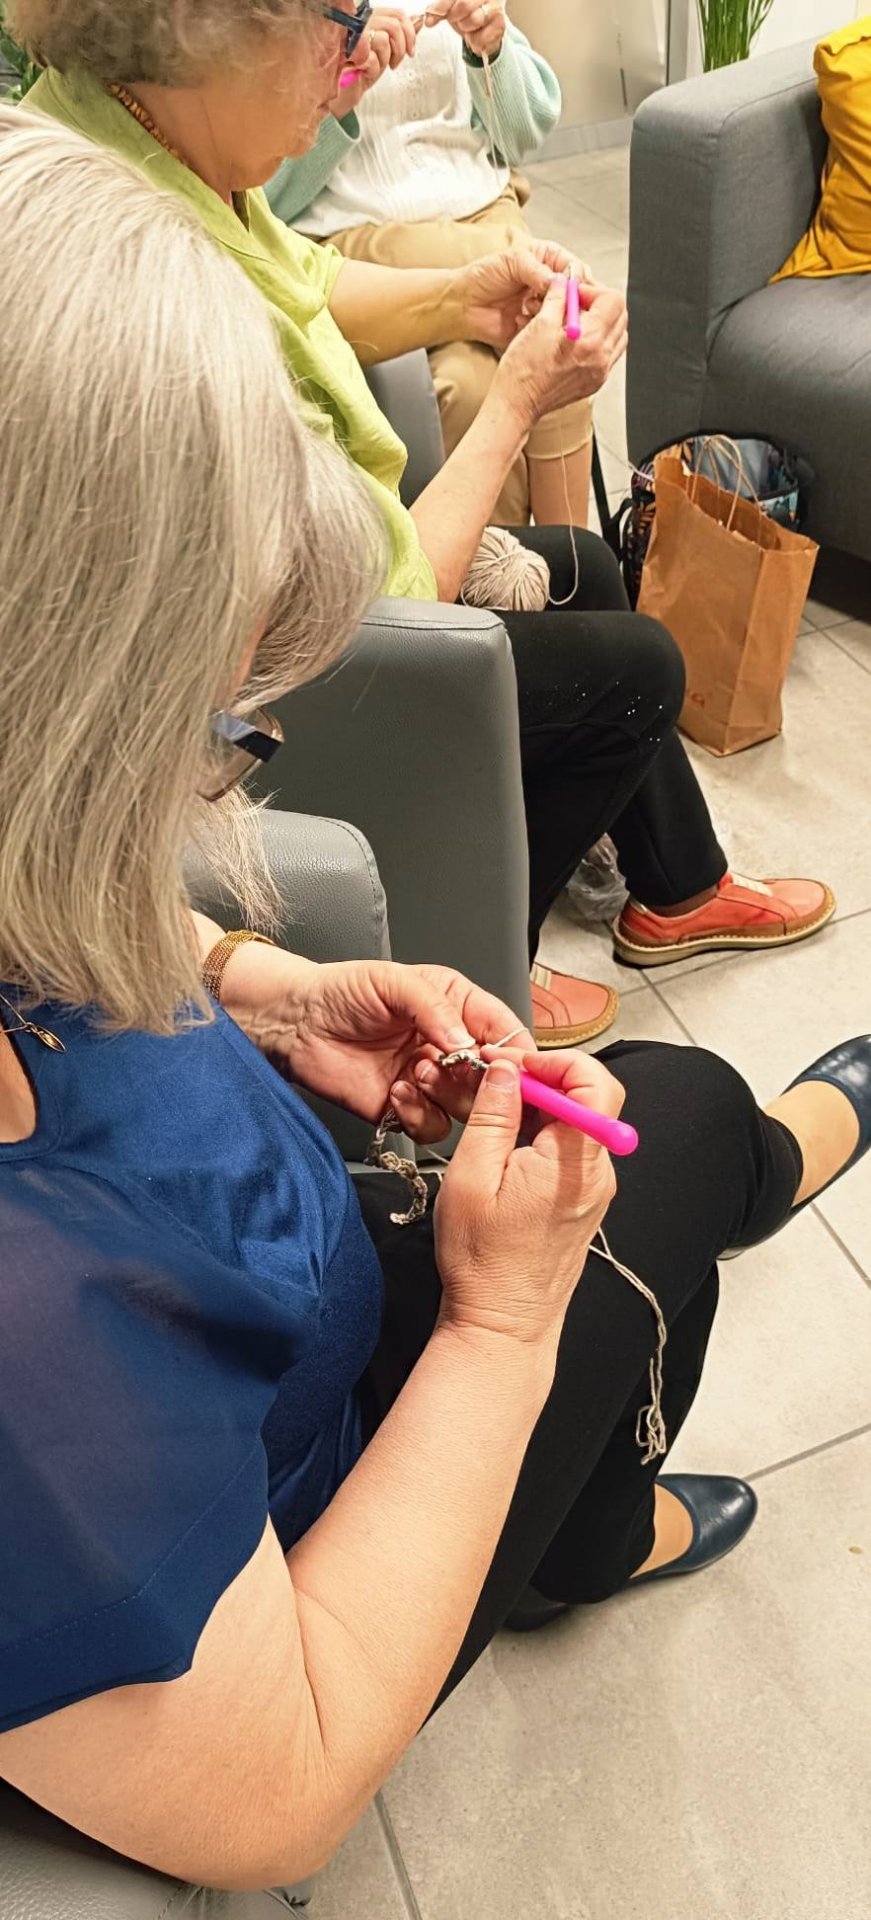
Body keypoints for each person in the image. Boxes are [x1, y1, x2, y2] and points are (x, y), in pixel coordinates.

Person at [0, 106, 868, 1898]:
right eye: (215, 738)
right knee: (669, 1123)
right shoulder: (24, 1343)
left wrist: (261, 988)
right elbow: (272, 1795)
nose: (213, 791)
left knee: (653, 1127)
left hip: (274, 1305)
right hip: (296, 1559)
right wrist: (494, 1329)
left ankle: (736, 1189)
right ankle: (595, 1527)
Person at [15, 0, 835, 1054]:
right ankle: (481, 955)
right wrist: (517, 399)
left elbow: (308, 280)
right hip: (267, 686)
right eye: (341, 20)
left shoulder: (137, 129)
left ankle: (677, 889)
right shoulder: (148, 259)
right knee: (635, 668)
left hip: (287, 596)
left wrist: (463, 299)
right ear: (217, 28)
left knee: (584, 566)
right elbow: (394, 592)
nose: (355, 56)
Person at [267, 0, 596, 529]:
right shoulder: (297, 15)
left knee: (472, 387)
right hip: (355, 231)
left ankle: (540, 574)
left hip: (482, 209)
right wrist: (339, 92)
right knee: (559, 320)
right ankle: (563, 568)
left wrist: (491, 48)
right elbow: (267, 194)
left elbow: (522, 135)